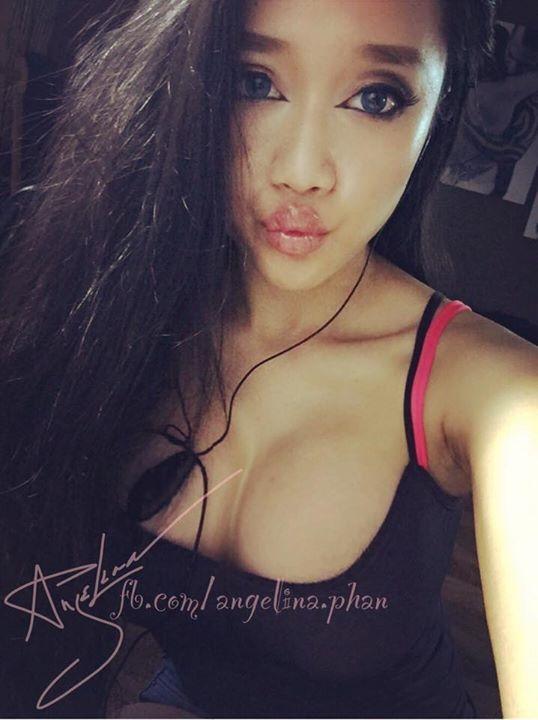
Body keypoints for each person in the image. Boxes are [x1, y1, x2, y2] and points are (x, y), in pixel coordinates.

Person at [1, 0, 537, 718]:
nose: (302, 170)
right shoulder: (122, 316)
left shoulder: (500, 399)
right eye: (253, 82)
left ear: (437, 112)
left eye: (376, 98)